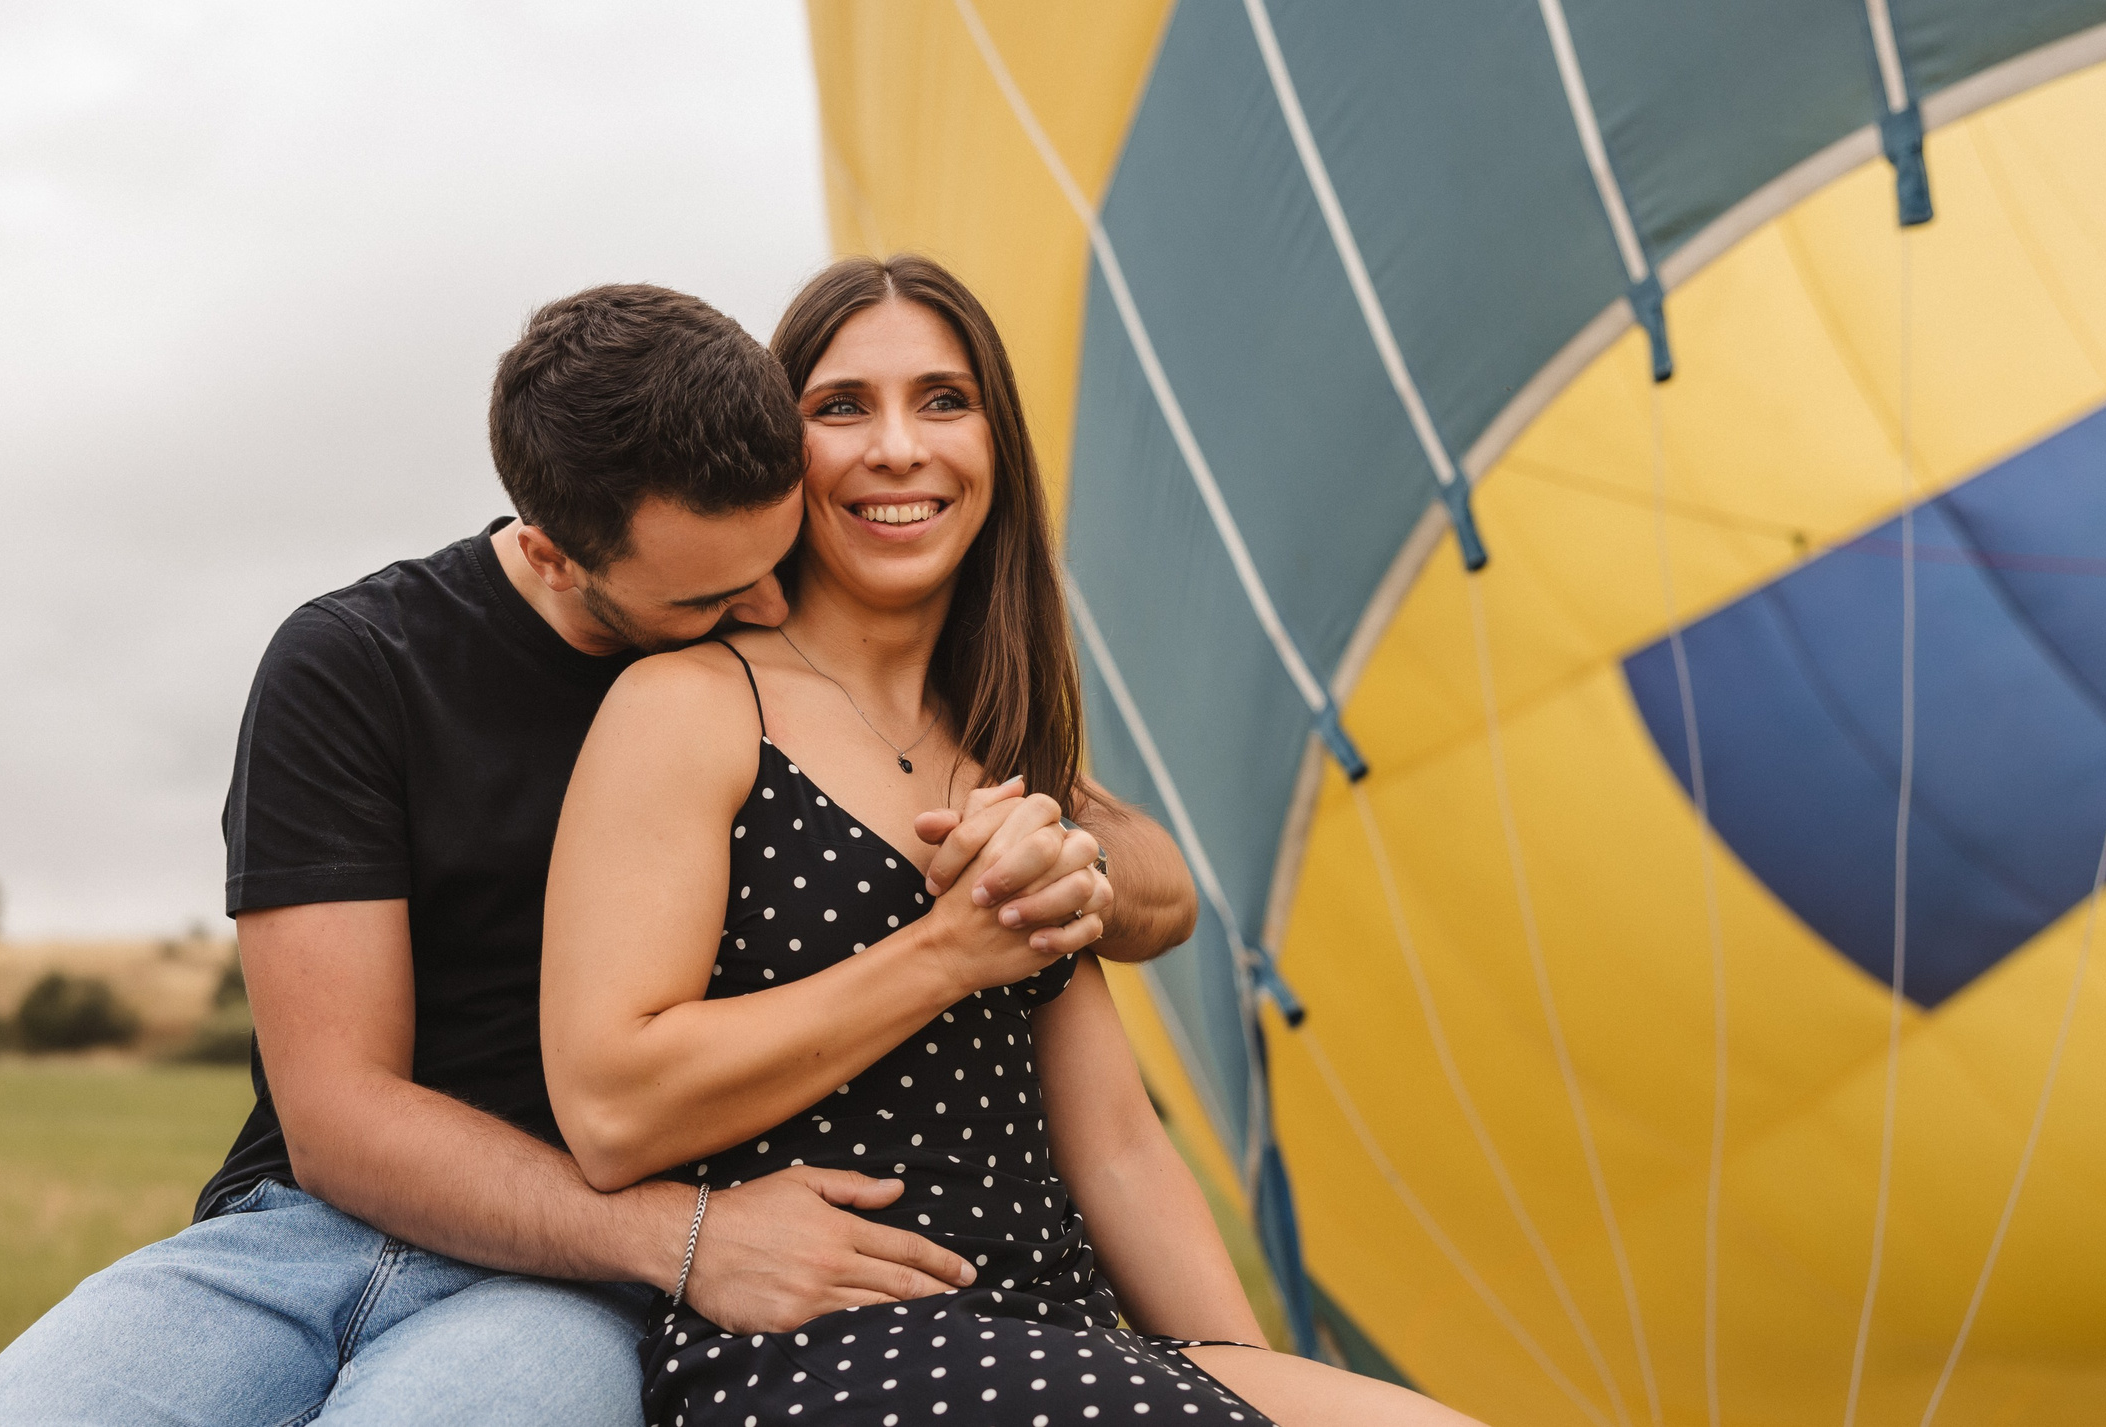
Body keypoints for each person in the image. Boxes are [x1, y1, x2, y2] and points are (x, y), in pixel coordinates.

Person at [0, 282, 1200, 1425]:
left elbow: (1134, 872)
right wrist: (689, 1240)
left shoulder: (787, 665)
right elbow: (339, 1118)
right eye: (708, 601)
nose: (763, 611)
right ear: (553, 554)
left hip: (572, 1293)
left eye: (776, 566)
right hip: (329, 1236)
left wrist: (1050, 855)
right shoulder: (357, 667)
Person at [542, 257, 1486, 1426]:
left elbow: (1120, 1150)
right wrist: (948, 950)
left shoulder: (1005, 753)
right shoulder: (693, 703)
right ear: (786, 461)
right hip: (825, 1337)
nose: (898, 447)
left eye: (944, 399)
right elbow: (612, 1106)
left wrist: (1254, 1381)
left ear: (997, 446)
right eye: (842, 407)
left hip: (1056, 1322)